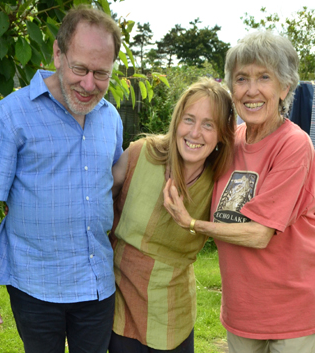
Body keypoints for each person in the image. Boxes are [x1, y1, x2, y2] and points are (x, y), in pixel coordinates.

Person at [0, 5, 123, 353]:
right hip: (35, 285)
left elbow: (112, 185)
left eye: (101, 73)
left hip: (98, 283)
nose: (88, 84)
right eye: (80, 68)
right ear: (57, 52)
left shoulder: (111, 117)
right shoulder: (10, 116)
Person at [163, 31, 315, 353]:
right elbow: (189, 145)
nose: (251, 90)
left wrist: (191, 223)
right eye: (242, 78)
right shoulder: (230, 140)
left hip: (292, 317)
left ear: (285, 87)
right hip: (242, 312)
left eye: (264, 77)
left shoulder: (294, 144)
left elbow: (259, 234)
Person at [108, 77, 235, 352]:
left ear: (222, 135)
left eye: (208, 124)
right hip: (122, 301)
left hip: (173, 311)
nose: (195, 133)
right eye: (189, 120)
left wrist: (189, 222)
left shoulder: (220, 181)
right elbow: (97, 201)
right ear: (177, 121)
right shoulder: (140, 154)